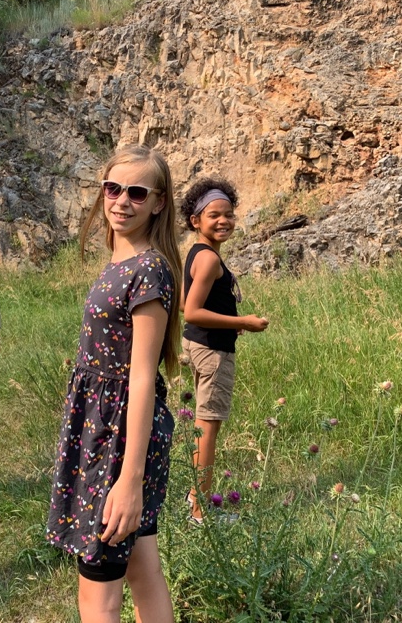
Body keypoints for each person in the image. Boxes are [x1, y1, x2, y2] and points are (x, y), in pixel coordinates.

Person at [47, 145, 182, 623]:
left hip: (117, 439)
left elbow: (141, 378)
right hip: (101, 428)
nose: (122, 201)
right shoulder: (121, 261)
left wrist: (129, 480)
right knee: (143, 569)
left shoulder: (148, 269)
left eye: (137, 193)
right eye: (113, 188)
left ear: (159, 202)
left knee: (97, 595)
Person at [180, 178, 269, 524]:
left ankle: (193, 497)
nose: (223, 221)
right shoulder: (208, 260)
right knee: (207, 429)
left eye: (228, 214)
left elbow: (188, 307)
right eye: (214, 215)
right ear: (195, 220)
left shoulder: (198, 253)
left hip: (200, 344)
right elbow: (192, 311)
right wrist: (242, 321)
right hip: (212, 351)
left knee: (202, 426)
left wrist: (230, 323)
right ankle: (200, 513)